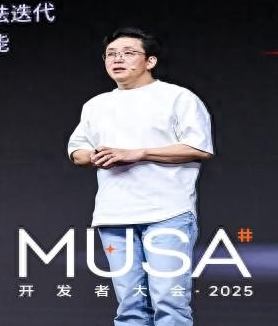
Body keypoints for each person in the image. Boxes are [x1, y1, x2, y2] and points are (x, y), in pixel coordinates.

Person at [67, 27, 214, 326]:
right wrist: (97, 155)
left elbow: (200, 148)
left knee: (169, 302)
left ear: (150, 61)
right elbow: (77, 151)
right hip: (114, 215)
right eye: (111, 54)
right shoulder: (96, 105)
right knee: (129, 306)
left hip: (168, 213)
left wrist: (139, 153)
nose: (117, 59)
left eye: (128, 53)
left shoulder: (177, 97)